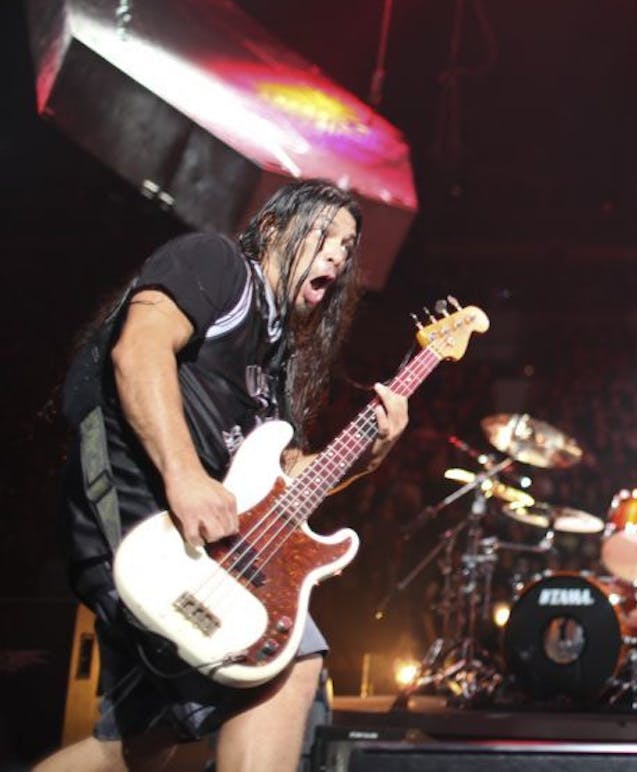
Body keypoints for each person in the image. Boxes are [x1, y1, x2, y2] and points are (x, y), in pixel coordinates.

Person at [40, 180, 409, 771]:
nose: (339, 253)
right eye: (324, 234)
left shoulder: (278, 351)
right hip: (140, 515)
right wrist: (186, 477)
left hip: (196, 544)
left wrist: (368, 453)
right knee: (287, 657)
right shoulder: (214, 262)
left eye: (348, 244)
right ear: (271, 231)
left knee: (139, 749)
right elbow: (138, 350)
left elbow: (284, 485)